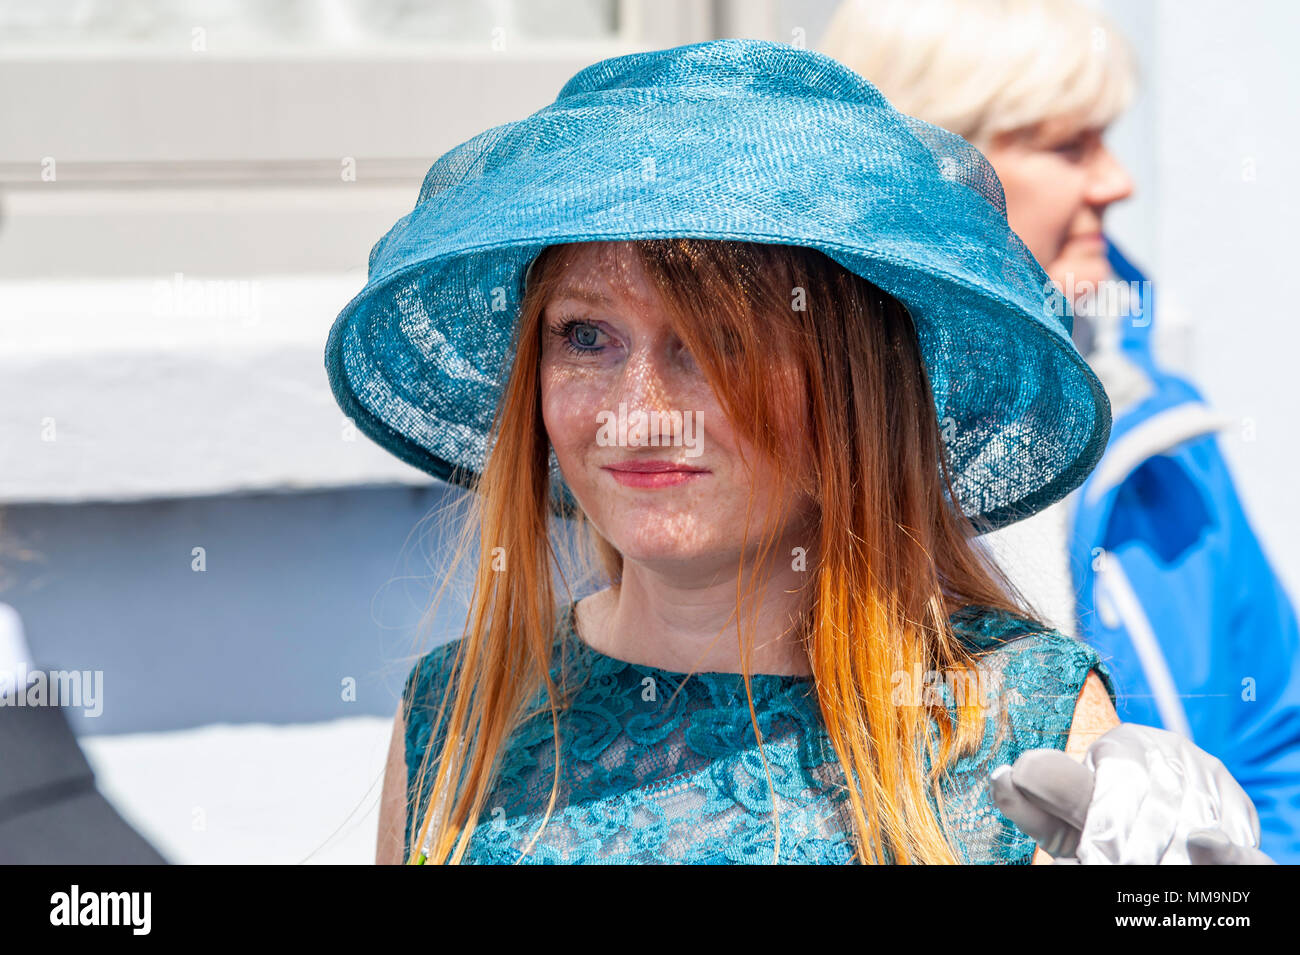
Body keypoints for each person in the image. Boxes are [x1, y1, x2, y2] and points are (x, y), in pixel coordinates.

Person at [328, 38, 1267, 864]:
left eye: (721, 340)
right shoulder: (456, 718)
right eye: (585, 336)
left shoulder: (1020, 730)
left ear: (854, 386)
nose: (641, 412)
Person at [819, 0, 1300, 863]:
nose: (1117, 182)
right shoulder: (789, 457)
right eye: (1068, 145)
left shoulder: (1164, 430)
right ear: (933, 173)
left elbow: (1276, 740)